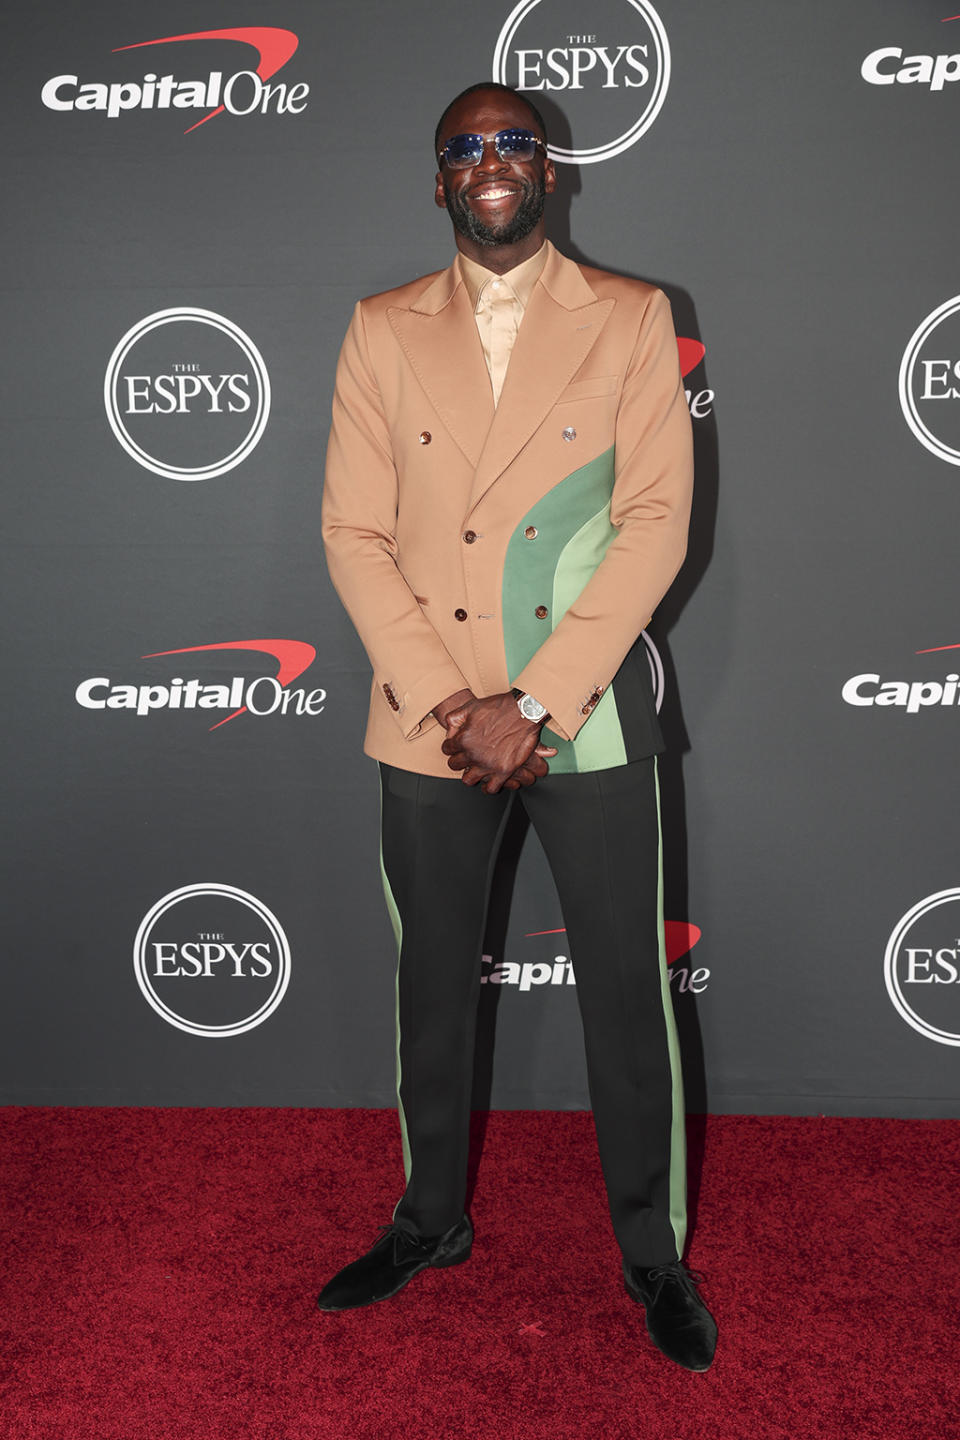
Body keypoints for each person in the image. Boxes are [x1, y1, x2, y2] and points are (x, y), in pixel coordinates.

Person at [318, 81, 717, 1372]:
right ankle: (429, 1220)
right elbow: (353, 532)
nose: (492, 163)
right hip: (426, 717)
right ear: (439, 181)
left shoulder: (633, 317)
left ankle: (652, 1255)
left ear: (554, 172)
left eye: (515, 144)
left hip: (583, 718)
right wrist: (455, 701)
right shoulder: (379, 329)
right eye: (465, 148)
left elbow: (658, 522)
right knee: (429, 993)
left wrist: (536, 701)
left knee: (626, 1000)